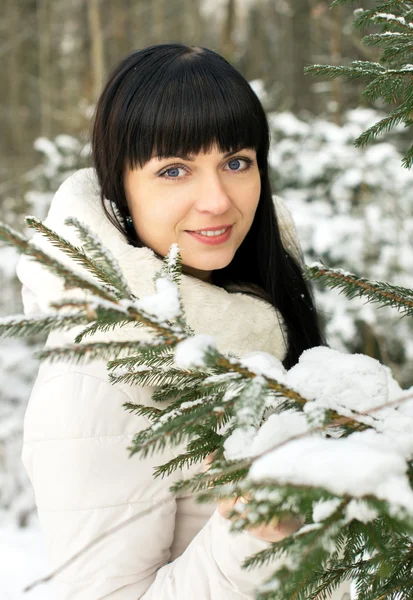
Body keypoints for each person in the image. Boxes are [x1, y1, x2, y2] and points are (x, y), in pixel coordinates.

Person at [16, 43, 351, 600]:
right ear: (119, 187)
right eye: (174, 170)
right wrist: (253, 541)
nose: (217, 199)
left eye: (236, 162)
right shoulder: (98, 373)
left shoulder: (257, 312)